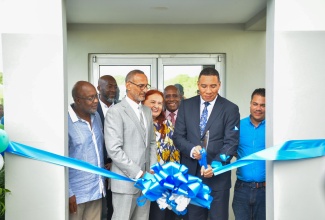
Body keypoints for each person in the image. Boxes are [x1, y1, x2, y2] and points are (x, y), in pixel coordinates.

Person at [173, 67, 240, 220]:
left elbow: (231, 142)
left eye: (213, 86)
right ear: (198, 85)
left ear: (219, 85)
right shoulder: (186, 105)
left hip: (217, 179)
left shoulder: (230, 109)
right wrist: (191, 150)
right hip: (191, 177)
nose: (208, 91)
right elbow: (178, 137)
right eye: (204, 86)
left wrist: (215, 165)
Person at [104, 69, 157, 220]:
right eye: (141, 86)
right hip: (125, 184)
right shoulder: (116, 112)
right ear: (128, 85)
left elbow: (151, 143)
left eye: (146, 86)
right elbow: (114, 150)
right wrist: (139, 174)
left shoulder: (146, 111)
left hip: (146, 183)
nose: (145, 90)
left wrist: (152, 170)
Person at [68, 81, 105, 220]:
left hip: (97, 190)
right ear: (77, 100)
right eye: (90, 98)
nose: (96, 101)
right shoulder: (65, 121)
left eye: (96, 96)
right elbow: (61, 159)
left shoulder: (96, 117)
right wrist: (68, 192)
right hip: (76, 195)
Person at [143, 89, 180, 220]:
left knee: (160, 216)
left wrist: (174, 179)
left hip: (163, 182)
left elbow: (174, 154)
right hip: (142, 180)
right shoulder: (138, 124)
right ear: (143, 102)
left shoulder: (167, 124)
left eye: (159, 103)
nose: (156, 106)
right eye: (152, 102)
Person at [232, 88, 266, 220]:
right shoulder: (237, 126)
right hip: (242, 189)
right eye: (255, 104)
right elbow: (231, 149)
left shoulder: (274, 128)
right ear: (250, 104)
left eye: (263, 105)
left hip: (265, 190)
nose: (258, 108)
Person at [97, 75, 118, 220]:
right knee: (98, 209)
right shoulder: (91, 108)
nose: (113, 90)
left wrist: (114, 162)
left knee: (114, 206)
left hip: (117, 166)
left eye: (115, 86)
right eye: (109, 86)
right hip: (97, 166)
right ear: (99, 88)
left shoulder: (122, 107)